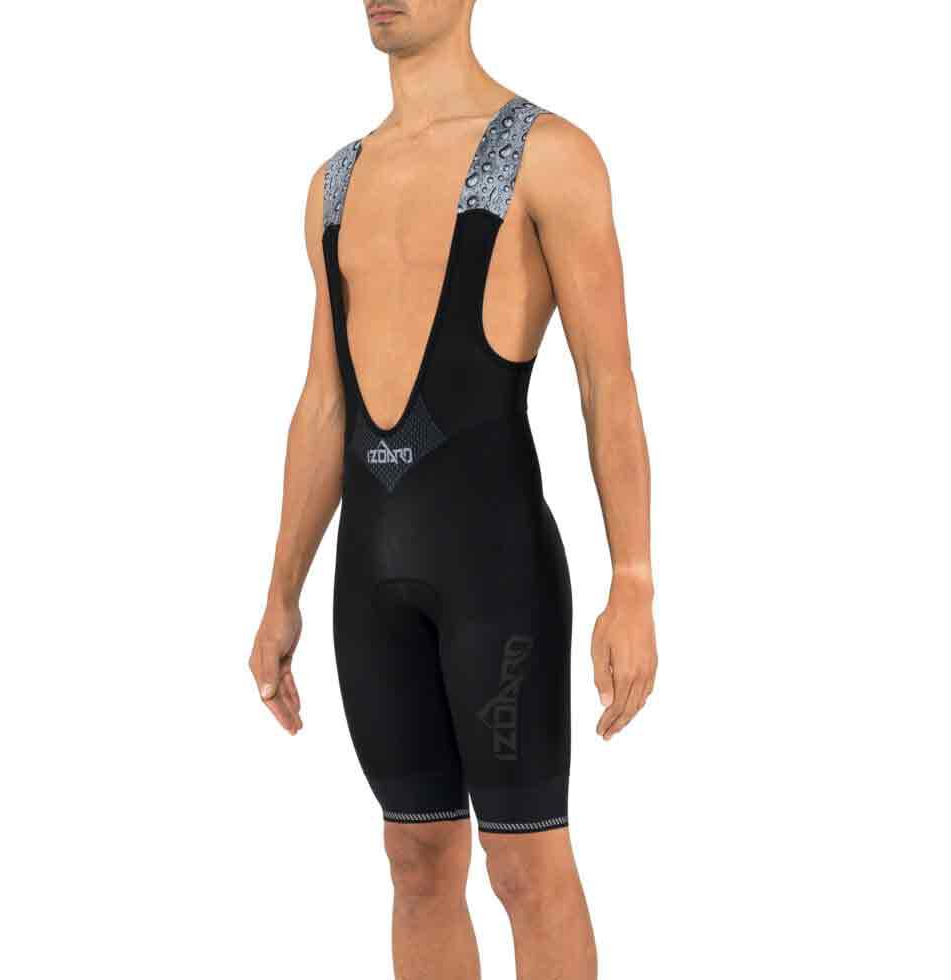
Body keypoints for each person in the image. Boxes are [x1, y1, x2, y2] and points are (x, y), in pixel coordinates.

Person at [249, 2, 657, 976]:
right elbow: (324, 402)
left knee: (525, 867)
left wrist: (633, 578)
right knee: (416, 861)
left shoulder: (549, 156)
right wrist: (280, 591)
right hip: (371, 574)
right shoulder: (333, 183)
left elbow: (606, 380)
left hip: (493, 567)